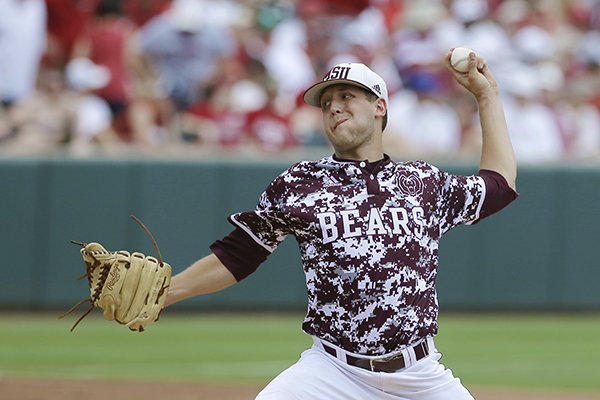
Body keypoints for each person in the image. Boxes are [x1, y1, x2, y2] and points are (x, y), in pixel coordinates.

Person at [164, 50, 518, 399]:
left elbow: (499, 187)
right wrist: (167, 293)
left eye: (346, 96)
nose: (334, 107)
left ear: (379, 106)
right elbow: (238, 254)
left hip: (419, 376)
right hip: (331, 373)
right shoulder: (299, 184)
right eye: (326, 102)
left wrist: (486, 95)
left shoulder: (422, 183)